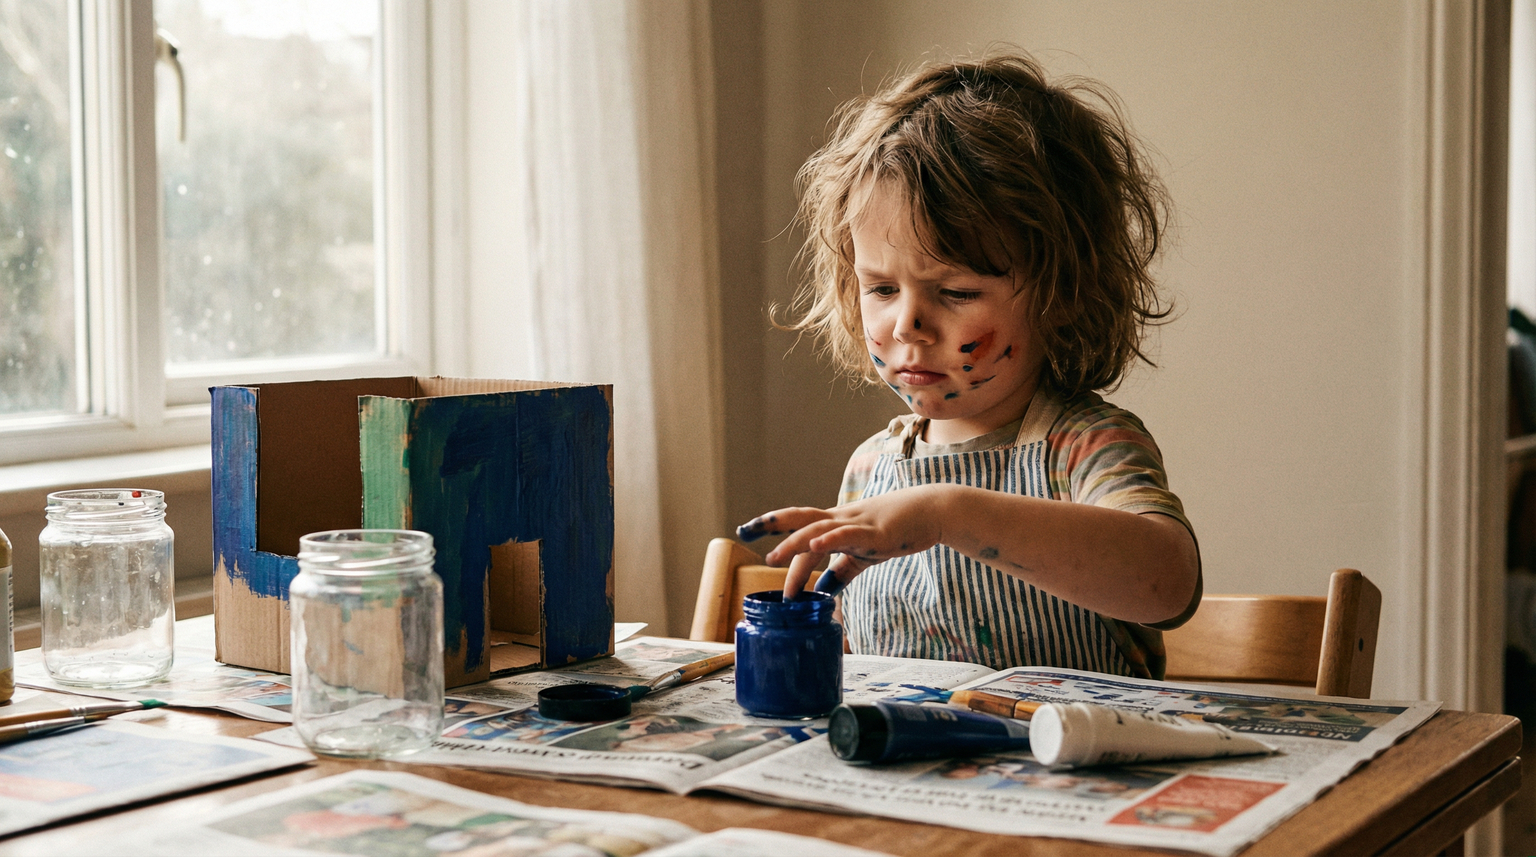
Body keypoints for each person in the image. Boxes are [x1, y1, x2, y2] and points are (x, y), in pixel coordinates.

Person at [737, 52, 1200, 679]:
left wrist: (945, 514)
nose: (907, 324)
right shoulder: (872, 468)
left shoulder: (1087, 448)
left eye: (955, 293)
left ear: (1062, 294)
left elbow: (1166, 585)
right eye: (880, 289)